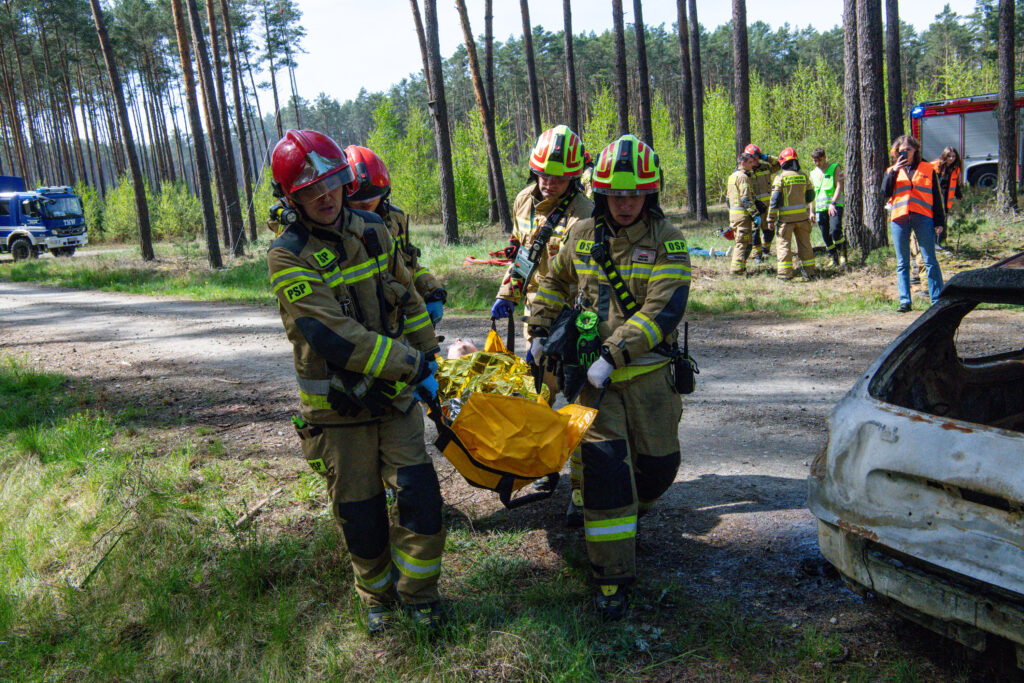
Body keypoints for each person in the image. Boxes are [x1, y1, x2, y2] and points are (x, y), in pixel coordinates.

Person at [266, 129, 446, 632]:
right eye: (308, 191)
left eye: (331, 185)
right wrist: (411, 365)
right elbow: (332, 336)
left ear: (345, 181)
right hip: (340, 412)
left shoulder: (374, 229)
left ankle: (421, 597)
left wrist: (430, 357)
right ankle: (377, 597)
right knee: (360, 514)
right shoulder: (287, 254)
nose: (324, 198)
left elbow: (407, 299)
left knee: (420, 496)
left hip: (395, 401)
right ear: (291, 198)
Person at [528, 134, 691, 620]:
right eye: (615, 194)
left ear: (650, 193)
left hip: (647, 381)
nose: (624, 203)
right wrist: (539, 328)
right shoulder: (580, 233)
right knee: (604, 476)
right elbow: (553, 281)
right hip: (592, 386)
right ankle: (610, 579)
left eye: (634, 193)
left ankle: (627, 519)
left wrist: (614, 352)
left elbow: (664, 310)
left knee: (657, 472)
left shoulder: (670, 241)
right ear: (600, 193)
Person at [490, 124, 594, 524]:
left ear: (574, 175)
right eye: (543, 173)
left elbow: (586, 277)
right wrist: (506, 294)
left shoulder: (585, 213)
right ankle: (546, 469)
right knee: (537, 398)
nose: (549, 182)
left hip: (572, 319)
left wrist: (570, 328)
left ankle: (584, 491)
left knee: (580, 404)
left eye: (559, 176)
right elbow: (522, 251)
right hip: (535, 315)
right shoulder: (523, 201)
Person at [344, 145, 447, 325]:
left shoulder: (394, 219)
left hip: (398, 315)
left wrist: (432, 291)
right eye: (358, 202)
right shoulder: (337, 228)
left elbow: (407, 265)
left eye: (372, 198)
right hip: (358, 323)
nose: (366, 204)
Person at [882, 134, 946, 313]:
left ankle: (937, 299)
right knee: (902, 262)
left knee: (929, 259)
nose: (904, 153)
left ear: (915, 150)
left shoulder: (927, 168)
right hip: (899, 218)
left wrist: (939, 222)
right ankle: (905, 301)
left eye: (908, 150)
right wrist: (894, 170)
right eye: (901, 150)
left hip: (923, 217)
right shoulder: (891, 171)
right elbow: (884, 192)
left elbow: (936, 196)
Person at [910, 145, 963, 282]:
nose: (952, 159)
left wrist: (958, 195)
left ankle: (939, 242)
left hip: (945, 202)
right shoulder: (934, 166)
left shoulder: (955, 169)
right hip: (931, 202)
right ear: (944, 156)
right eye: (949, 156)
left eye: (954, 156)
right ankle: (931, 246)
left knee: (940, 224)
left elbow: (954, 184)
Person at [767, 147, 816, 280]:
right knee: (805, 245)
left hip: (786, 221)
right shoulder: (803, 176)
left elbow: (774, 201)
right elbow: (811, 196)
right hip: (802, 219)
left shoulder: (780, 178)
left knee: (783, 246)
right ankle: (810, 272)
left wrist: (770, 219)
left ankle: (784, 275)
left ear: (783, 162)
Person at [808, 148, 847, 267]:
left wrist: (833, 203)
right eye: (815, 161)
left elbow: (839, 187)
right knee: (825, 235)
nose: (817, 163)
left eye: (819, 160)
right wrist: (811, 212)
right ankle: (833, 256)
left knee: (835, 230)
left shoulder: (835, 168)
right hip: (820, 208)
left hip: (834, 206)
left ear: (825, 157)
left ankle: (843, 254)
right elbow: (811, 194)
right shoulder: (812, 173)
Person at [744, 144, 780, 263]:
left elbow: (779, 163)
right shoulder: (745, 172)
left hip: (768, 207)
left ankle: (766, 249)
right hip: (754, 208)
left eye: (757, 157)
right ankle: (757, 255)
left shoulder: (765, 167)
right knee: (755, 233)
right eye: (752, 158)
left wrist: (766, 157)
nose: (755, 161)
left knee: (769, 230)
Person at [726, 152, 760, 275]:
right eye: (750, 162)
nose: (753, 165)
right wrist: (755, 214)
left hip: (734, 216)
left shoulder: (732, 177)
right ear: (742, 163)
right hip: (742, 216)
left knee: (746, 242)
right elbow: (745, 198)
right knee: (742, 243)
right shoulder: (743, 177)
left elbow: (727, 199)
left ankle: (742, 267)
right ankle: (736, 271)